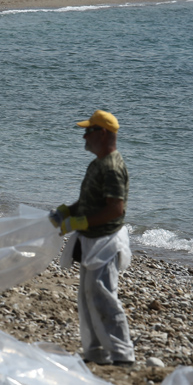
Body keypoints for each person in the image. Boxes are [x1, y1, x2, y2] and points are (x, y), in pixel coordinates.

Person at [50, 110, 135, 367]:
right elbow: (90, 201)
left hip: (105, 242)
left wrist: (81, 222)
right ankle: (97, 352)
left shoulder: (112, 167)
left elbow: (115, 209)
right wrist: (69, 211)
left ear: (103, 133)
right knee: (88, 297)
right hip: (91, 240)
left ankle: (122, 354)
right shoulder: (98, 164)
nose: (84, 136)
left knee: (103, 296)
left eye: (88, 131)